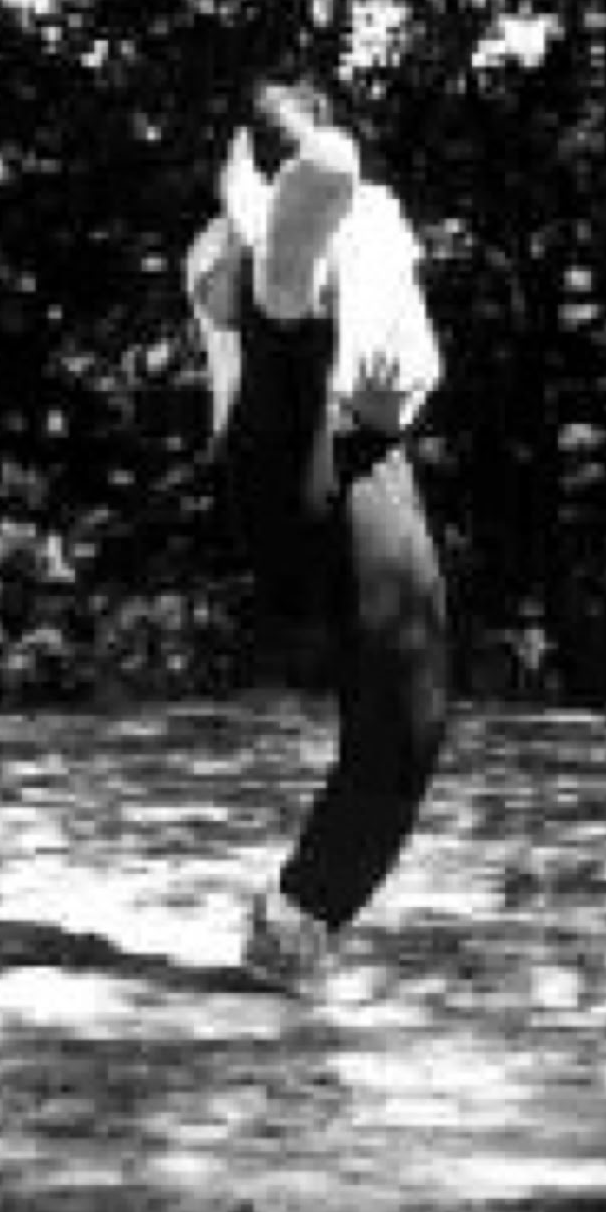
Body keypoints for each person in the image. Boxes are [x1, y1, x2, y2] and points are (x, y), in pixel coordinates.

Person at [185, 77, 450, 994]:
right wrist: (257, 227)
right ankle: (291, 290)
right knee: (279, 334)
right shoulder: (216, 247)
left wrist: (381, 358)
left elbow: (409, 371)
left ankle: (299, 917)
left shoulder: (376, 219)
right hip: (281, 463)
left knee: (411, 716)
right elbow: (221, 299)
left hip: (372, 464)